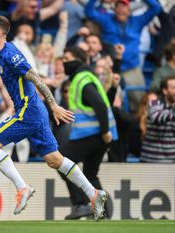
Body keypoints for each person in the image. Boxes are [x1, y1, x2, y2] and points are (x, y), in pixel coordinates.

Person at [0, 14, 107, 221]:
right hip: (35, 110)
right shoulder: (0, 54)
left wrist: (54, 105)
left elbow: (36, 78)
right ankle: (94, 194)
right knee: (54, 159)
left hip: (29, 110)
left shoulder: (12, 55)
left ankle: (22, 188)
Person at [60, 47, 118, 219]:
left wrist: (105, 130)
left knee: (62, 162)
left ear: (78, 60)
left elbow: (99, 105)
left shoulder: (81, 78)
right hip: (100, 135)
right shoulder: (86, 76)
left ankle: (81, 205)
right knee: (90, 174)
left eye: (67, 58)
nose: (64, 62)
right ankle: (104, 213)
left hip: (95, 134)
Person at [140, 76, 175, 163]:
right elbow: (156, 117)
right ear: (165, 91)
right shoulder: (154, 102)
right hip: (151, 160)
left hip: (172, 161)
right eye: (174, 88)